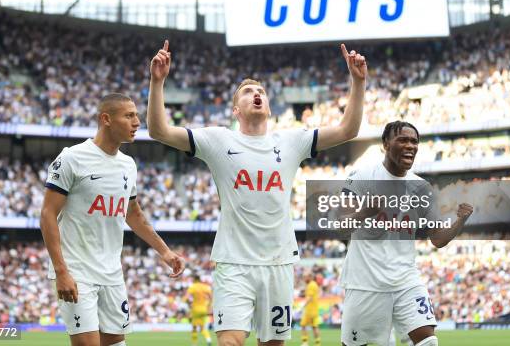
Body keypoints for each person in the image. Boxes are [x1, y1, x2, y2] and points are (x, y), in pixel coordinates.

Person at [147, 40, 367, 346]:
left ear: (269, 106)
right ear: (236, 110)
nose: (257, 94)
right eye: (249, 92)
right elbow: (159, 131)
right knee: (230, 342)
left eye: (261, 91)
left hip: (278, 262)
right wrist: (157, 83)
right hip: (233, 261)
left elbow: (348, 130)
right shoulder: (217, 140)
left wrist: (358, 82)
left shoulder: (291, 141)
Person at [40, 93, 185, 346]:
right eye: (129, 115)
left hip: (111, 273)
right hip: (77, 270)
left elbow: (134, 214)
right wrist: (62, 271)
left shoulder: (128, 165)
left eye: (137, 115)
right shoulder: (72, 158)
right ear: (106, 119)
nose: (137, 122)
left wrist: (165, 252)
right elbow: (47, 214)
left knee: (116, 342)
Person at [339, 121, 474, 346]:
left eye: (414, 141)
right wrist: (364, 212)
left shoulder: (422, 188)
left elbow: (438, 239)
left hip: (406, 280)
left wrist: (460, 221)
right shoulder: (362, 176)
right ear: (385, 144)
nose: (410, 145)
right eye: (403, 140)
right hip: (365, 282)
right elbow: (339, 226)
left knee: (429, 342)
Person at [187, 273, 213, 346]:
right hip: (204, 309)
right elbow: (211, 297)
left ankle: (194, 344)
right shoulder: (205, 287)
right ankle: (208, 340)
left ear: (195, 279)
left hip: (196, 309)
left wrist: (188, 303)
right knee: (202, 327)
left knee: (194, 327)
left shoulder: (193, 287)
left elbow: (186, 297)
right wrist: (209, 306)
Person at [300, 273, 321, 346]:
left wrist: (303, 305)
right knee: (313, 326)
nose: (304, 279)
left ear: (310, 277)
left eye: (305, 277)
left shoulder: (311, 285)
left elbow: (310, 297)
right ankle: (317, 343)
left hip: (310, 310)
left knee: (305, 325)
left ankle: (305, 342)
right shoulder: (313, 284)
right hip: (313, 309)